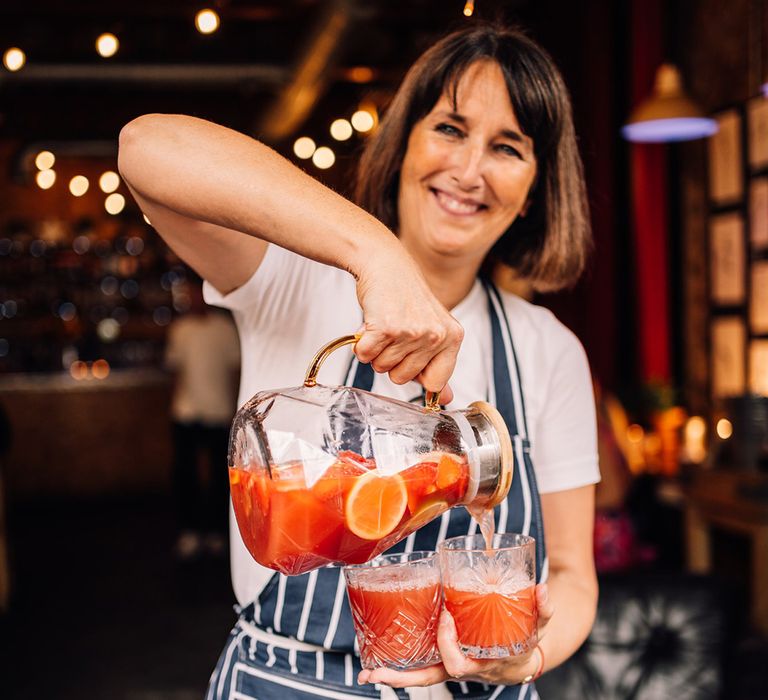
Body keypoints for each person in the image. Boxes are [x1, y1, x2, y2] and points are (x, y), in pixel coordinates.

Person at [118, 22, 599, 700]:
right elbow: (146, 148)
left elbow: (575, 574)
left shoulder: (548, 350)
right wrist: (375, 255)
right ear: (402, 144)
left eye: (508, 147)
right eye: (450, 130)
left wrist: (529, 656)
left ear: (534, 188)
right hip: (289, 681)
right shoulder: (293, 281)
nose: (468, 171)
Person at [164, 275, 241, 559]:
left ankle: (217, 533)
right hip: (185, 411)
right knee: (185, 476)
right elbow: (175, 371)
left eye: (195, 293)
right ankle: (189, 531)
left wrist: (235, 410)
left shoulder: (224, 328)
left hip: (220, 411)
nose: (192, 299)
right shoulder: (180, 329)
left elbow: (235, 371)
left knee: (222, 479)